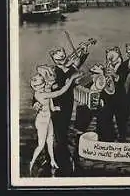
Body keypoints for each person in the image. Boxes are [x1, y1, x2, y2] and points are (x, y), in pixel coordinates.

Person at [49, 46, 89, 176]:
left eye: (64, 57)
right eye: (59, 58)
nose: (63, 59)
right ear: (54, 59)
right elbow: (57, 88)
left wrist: (83, 50)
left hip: (68, 102)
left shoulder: (68, 68)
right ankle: (61, 159)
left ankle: (64, 156)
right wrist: (73, 77)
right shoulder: (55, 72)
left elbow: (78, 62)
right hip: (58, 104)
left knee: (64, 128)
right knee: (59, 131)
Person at [29, 66, 76, 176]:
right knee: (41, 145)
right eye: (43, 84)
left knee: (50, 141)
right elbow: (59, 92)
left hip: (48, 119)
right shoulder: (41, 94)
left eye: (44, 83)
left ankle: (53, 161)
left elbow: (50, 99)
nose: (45, 85)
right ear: (37, 87)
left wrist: (54, 108)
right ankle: (32, 162)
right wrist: (72, 79)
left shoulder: (43, 91)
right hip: (42, 121)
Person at [104, 47, 130, 141]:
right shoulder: (107, 66)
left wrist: (114, 74)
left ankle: (122, 136)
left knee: (121, 118)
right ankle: (110, 135)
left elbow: (122, 79)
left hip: (119, 96)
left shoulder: (123, 66)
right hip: (109, 96)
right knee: (108, 116)